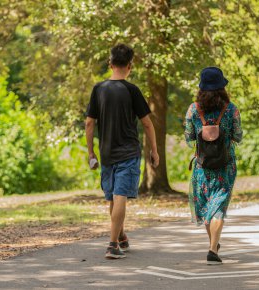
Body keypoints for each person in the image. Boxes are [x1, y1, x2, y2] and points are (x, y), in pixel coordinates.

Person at [85, 44, 159, 259]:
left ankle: (121, 236)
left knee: (113, 199)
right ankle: (112, 245)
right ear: (130, 66)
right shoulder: (132, 90)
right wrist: (154, 150)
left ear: (110, 64)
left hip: (106, 153)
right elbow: (147, 123)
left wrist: (91, 153)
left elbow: (90, 123)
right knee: (119, 198)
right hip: (128, 152)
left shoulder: (98, 89)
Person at [184, 67, 243, 265]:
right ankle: (212, 248)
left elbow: (189, 137)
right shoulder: (231, 109)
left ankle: (213, 244)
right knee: (218, 206)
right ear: (222, 87)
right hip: (225, 165)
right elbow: (238, 136)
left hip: (202, 166)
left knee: (209, 205)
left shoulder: (193, 109)